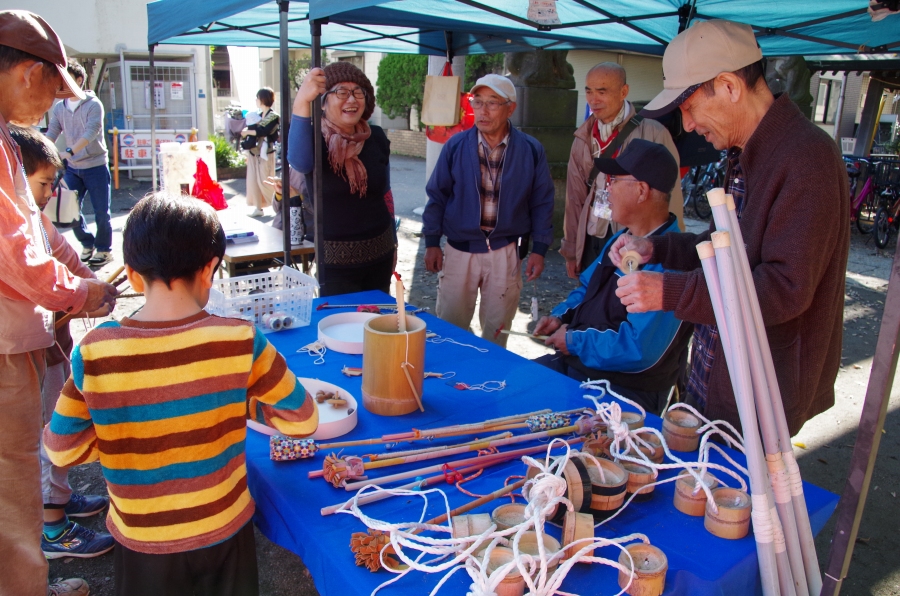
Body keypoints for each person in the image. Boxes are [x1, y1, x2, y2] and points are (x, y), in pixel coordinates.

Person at [43, 192, 320, 595]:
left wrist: (123, 436)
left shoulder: (97, 350)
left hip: (141, 538)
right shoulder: (239, 339)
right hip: (224, 529)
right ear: (211, 268)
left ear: (133, 275)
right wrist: (234, 406)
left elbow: (62, 449)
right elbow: (303, 418)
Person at [611, 19, 849, 435]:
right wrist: (658, 249)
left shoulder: (807, 158)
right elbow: (726, 246)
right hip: (717, 367)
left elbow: (783, 288)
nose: (686, 126)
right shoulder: (749, 150)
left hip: (760, 390)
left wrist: (669, 292)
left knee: (738, 493)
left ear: (728, 86)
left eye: (687, 106)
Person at [0, 10, 118, 596]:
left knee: (17, 476)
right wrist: (81, 292)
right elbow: (16, 254)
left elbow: (37, 234)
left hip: (18, 334)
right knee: (11, 477)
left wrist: (76, 272)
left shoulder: (4, 142)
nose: (51, 103)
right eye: (53, 87)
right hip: (5, 341)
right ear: (27, 74)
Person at [9, 124, 115, 560]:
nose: (52, 192)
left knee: (54, 422)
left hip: (49, 342)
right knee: (41, 437)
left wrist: (95, 287)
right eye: (44, 183)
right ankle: (51, 527)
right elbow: (38, 276)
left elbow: (68, 259)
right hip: (21, 346)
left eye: (54, 182)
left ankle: (58, 497)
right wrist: (82, 295)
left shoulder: (38, 218)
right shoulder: (10, 217)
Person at [534, 140, 692, 413]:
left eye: (614, 181)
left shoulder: (674, 261)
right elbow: (587, 288)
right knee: (513, 386)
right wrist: (561, 316)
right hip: (581, 364)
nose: (607, 189)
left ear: (642, 191)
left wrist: (574, 341)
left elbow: (640, 349)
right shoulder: (621, 238)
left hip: (626, 388)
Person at [423, 74, 554, 347]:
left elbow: (541, 201)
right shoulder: (456, 146)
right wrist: (432, 242)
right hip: (460, 250)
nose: (482, 111)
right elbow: (437, 195)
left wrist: (540, 249)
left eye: (492, 103)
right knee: (450, 327)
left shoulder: (530, 149)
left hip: (504, 251)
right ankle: (453, 379)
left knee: (497, 332)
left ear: (511, 108)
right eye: (478, 102)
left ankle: (491, 383)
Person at [561, 62, 683, 280]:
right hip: (592, 235)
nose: (593, 99)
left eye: (602, 91)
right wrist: (571, 250)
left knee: (628, 300)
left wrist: (670, 250)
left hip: (636, 238)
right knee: (591, 296)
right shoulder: (583, 137)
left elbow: (670, 197)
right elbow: (574, 197)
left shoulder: (653, 132)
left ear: (623, 92)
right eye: (588, 90)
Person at [290, 62, 396, 296]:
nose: (351, 100)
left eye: (358, 92)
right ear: (324, 101)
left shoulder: (376, 137)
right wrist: (301, 101)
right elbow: (299, 162)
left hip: (380, 255)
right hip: (336, 266)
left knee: (378, 326)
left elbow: (386, 193)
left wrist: (394, 241)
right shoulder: (314, 139)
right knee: (341, 328)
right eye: (341, 92)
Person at [46, 58, 113, 267]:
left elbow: (91, 132)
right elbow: (52, 132)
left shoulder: (93, 105)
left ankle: (104, 250)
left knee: (102, 212)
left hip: (96, 165)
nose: (63, 85)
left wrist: (69, 151)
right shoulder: (59, 108)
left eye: (68, 80)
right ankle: (87, 243)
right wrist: (42, 148)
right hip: (72, 168)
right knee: (69, 210)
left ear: (80, 79)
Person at [241, 87, 280, 217]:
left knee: (265, 180)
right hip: (254, 152)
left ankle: (280, 204)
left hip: (266, 152)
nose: (256, 100)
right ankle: (258, 208)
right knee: (254, 181)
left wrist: (246, 132)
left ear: (263, 99)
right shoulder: (257, 114)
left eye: (258, 98)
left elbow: (263, 131)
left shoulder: (273, 116)